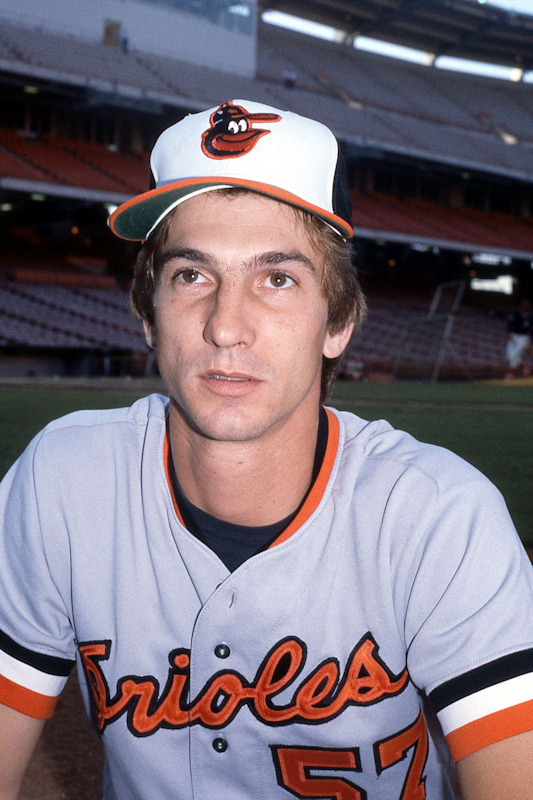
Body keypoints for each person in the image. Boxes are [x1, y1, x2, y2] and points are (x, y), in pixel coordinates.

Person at [1, 99, 533, 800]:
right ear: (147, 314)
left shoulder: (437, 515)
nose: (226, 326)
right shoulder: (62, 483)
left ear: (337, 322)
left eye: (277, 278)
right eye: (191, 275)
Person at [505, 298, 532, 379]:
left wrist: (531, 344)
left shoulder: (531, 317)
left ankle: (510, 373)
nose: (525, 306)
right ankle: (524, 368)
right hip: (514, 335)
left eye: (527, 305)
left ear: (529, 306)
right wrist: (509, 332)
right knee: (509, 355)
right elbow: (510, 322)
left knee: (515, 355)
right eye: (524, 305)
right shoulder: (516, 313)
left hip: (524, 337)